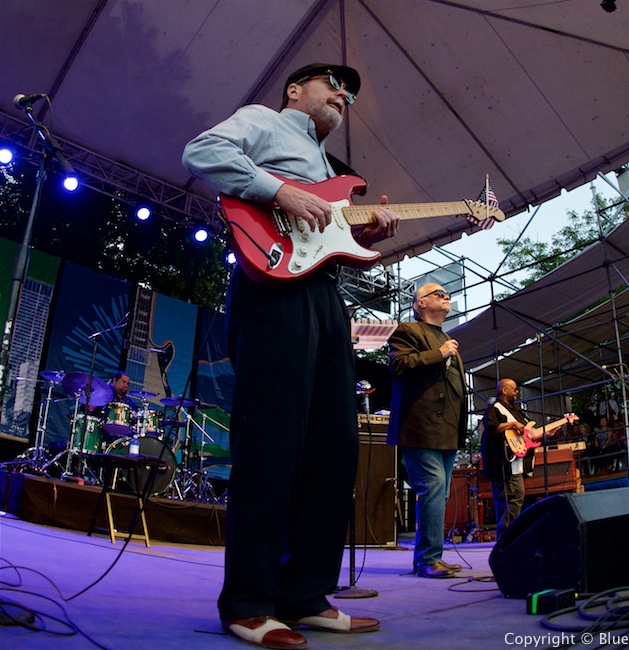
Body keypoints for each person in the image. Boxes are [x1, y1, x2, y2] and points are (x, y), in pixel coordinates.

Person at [182, 62, 399, 648]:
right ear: (295, 90)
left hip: (325, 297)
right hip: (272, 288)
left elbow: (329, 233)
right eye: (333, 83)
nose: (343, 94)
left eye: (349, 92)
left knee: (335, 446)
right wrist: (278, 189)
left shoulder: (331, 167)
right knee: (273, 440)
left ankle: (305, 594)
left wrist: (366, 233)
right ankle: (249, 601)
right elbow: (202, 151)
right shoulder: (263, 122)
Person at [387, 283, 468, 579]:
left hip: (447, 430)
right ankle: (426, 560)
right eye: (438, 294)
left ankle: (433, 556)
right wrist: (439, 353)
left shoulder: (447, 338)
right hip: (420, 426)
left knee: (441, 493)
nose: (446, 297)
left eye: (447, 295)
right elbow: (399, 365)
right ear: (420, 303)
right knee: (433, 488)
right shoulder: (408, 330)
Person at [480, 378, 530, 538]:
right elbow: (492, 427)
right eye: (514, 389)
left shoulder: (516, 411)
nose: (517, 391)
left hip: (515, 463)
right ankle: (506, 537)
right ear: (504, 390)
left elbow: (527, 433)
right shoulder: (494, 409)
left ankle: (507, 536)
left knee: (512, 499)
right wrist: (512, 424)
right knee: (511, 499)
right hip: (503, 464)